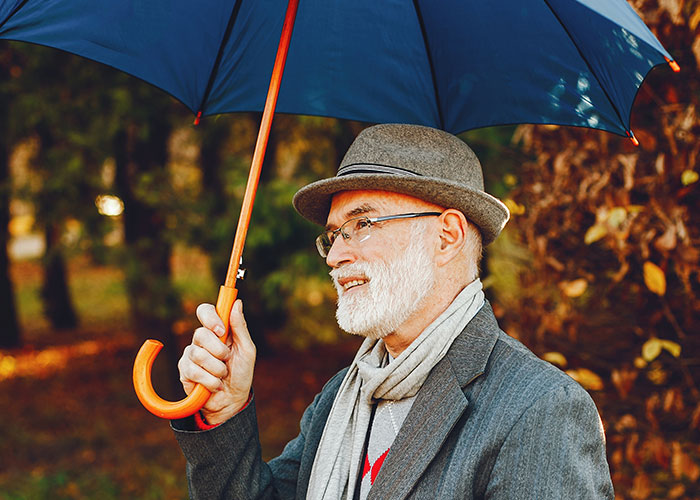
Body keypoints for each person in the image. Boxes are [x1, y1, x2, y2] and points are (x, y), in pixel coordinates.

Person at [172, 123, 614, 499]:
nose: (334, 255)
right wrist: (225, 411)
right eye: (333, 235)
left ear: (447, 237)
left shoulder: (540, 409)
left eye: (362, 225)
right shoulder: (341, 396)